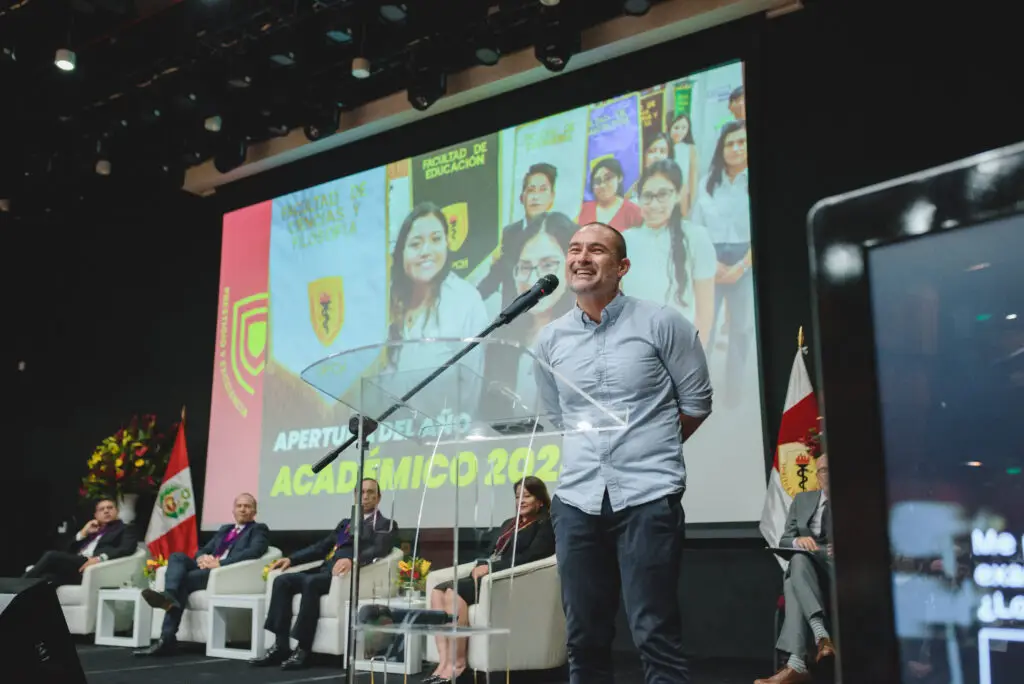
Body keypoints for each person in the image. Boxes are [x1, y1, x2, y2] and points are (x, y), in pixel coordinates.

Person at [533, 222, 712, 684]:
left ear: (622, 266)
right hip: (576, 502)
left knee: (654, 634)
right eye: (575, 249)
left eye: (597, 249)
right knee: (583, 638)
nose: (582, 257)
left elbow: (696, 404)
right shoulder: (550, 340)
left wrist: (651, 447)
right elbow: (559, 418)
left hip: (648, 496)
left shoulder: (661, 322)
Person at [252, 478, 398, 670]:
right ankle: (280, 646)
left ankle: (304, 650)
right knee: (282, 581)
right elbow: (321, 547)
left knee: (311, 583)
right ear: (355, 496)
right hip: (325, 569)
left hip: (344, 575)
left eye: (371, 492)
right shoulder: (346, 523)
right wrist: (292, 559)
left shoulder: (385, 524)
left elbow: (379, 549)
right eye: (361, 492)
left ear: (378, 497)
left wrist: (354, 560)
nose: (366, 496)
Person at [427, 476, 555, 684]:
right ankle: (443, 663)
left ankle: (458, 664)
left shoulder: (545, 524)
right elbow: (490, 551)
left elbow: (532, 557)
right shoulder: (509, 524)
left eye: (527, 496)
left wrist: (491, 568)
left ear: (540, 500)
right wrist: (481, 563)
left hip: (507, 579)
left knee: (453, 593)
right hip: (488, 574)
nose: (520, 500)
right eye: (517, 496)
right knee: (437, 591)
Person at [135, 493, 269, 656]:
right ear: (233, 510)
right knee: (177, 556)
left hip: (223, 573)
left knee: (183, 582)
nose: (242, 509)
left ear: (254, 511)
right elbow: (205, 549)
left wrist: (220, 563)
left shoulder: (258, 529)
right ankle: (169, 595)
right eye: (239, 506)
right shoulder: (225, 529)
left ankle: (166, 638)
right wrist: (202, 557)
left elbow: (254, 552)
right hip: (206, 567)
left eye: (247, 506)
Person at [756, 452, 835, 684]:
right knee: (799, 560)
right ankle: (821, 639)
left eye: (832, 470)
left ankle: (797, 663)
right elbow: (784, 539)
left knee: (792, 581)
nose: (827, 475)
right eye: (823, 471)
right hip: (809, 572)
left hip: (837, 571)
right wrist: (798, 542)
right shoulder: (802, 500)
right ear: (817, 476)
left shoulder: (853, 501)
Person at [690, 119, 751, 407]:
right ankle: (701, 396)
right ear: (721, 149)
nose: (736, 148)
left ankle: (735, 399)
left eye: (741, 142)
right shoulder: (707, 183)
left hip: (746, 261)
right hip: (709, 262)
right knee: (705, 329)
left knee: (740, 329)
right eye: (730, 143)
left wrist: (742, 266)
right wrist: (711, 265)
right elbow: (696, 230)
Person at [622, 159, 717, 344]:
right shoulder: (626, 240)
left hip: (680, 346)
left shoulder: (696, 237)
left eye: (663, 194)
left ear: (678, 194)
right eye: (647, 196)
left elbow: (704, 313)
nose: (654, 204)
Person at [477, 163, 558, 309]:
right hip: (513, 321)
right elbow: (497, 274)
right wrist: (470, 299)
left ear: (552, 197)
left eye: (542, 190)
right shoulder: (510, 233)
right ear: (522, 197)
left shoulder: (560, 231)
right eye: (531, 190)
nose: (536, 197)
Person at [24, 498, 139, 585]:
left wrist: (100, 558)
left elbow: (126, 548)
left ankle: (17, 584)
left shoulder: (125, 528)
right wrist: (83, 533)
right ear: (96, 515)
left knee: (50, 555)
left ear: (117, 511)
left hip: (93, 566)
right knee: (46, 578)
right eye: (101, 509)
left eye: (110, 508)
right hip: (75, 567)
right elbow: (66, 551)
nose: (106, 511)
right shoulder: (92, 530)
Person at [575, 158, 642, 232]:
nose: (603, 185)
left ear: (619, 178)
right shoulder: (584, 209)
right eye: (597, 181)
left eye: (608, 178)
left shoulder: (633, 211)